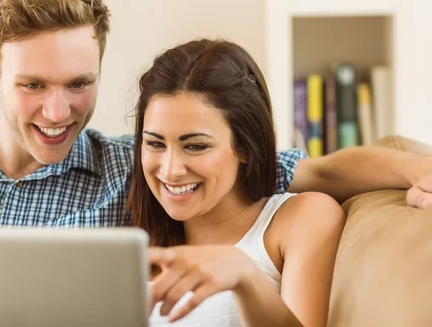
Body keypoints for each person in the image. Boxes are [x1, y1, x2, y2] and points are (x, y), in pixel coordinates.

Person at [0, 0, 432, 224]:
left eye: (79, 84)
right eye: (32, 86)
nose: (58, 112)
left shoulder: (148, 170)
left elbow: (320, 172)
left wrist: (427, 166)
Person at [128, 38, 344, 326]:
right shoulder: (137, 240)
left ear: (244, 146)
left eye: (195, 146)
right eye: (155, 143)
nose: (170, 170)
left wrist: (245, 275)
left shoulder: (302, 218)